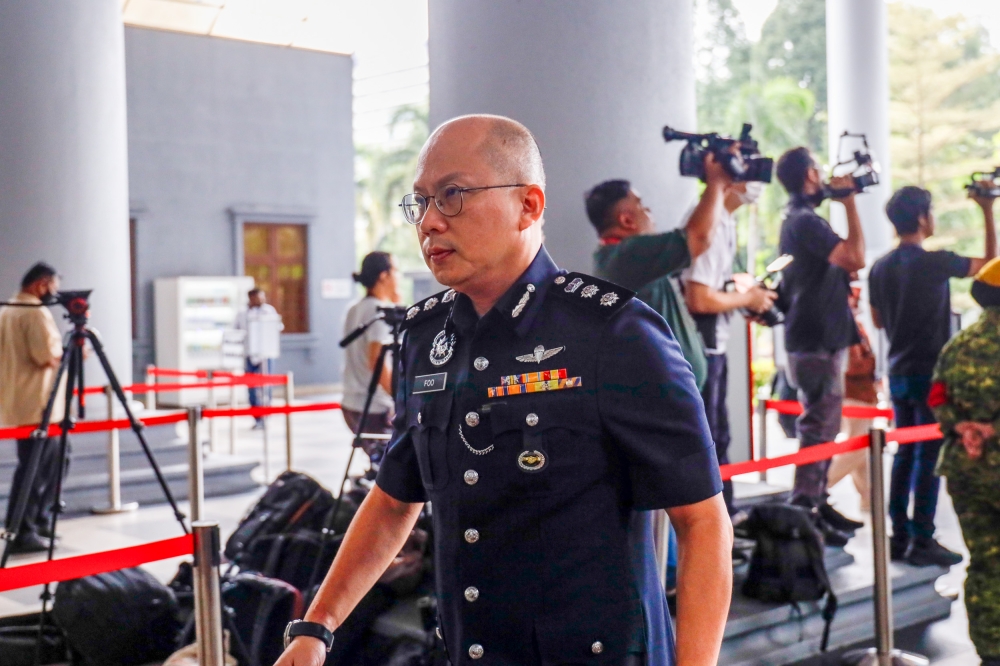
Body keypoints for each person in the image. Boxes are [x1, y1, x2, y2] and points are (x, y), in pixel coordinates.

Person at [276, 115, 732, 666]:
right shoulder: (425, 338)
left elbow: (702, 521)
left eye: (452, 195)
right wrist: (316, 625)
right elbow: (396, 498)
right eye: (420, 202)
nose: (429, 223)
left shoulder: (612, 333)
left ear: (529, 205)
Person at [870, 184, 996, 567]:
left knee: (905, 452)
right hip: (930, 371)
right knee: (929, 452)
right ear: (923, 218)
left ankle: (900, 535)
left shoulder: (879, 266)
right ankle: (923, 538)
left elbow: (877, 319)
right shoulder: (934, 261)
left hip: (898, 368)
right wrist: (987, 210)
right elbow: (992, 267)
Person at [774, 146, 866, 545]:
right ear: (810, 176)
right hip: (815, 341)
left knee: (823, 426)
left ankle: (816, 502)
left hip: (819, 339)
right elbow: (854, 256)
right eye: (818, 167)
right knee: (818, 427)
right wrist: (849, 204)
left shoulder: (800, 219)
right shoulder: (805, 221)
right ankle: (804, 508)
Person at [586, 154, 734, 390]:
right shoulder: (627, 257)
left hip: (676, 393)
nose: (649, 212)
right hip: (669, 398)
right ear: (626, 220)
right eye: (642, 205)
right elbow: (699, 237)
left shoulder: (622, 259)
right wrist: (715, 182)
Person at [680, 178, 777, 520]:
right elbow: (699, 297)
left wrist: (745, 298)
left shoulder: (724, 220)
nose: (759, 180)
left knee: (719, 437)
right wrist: (748, 298)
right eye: (750, 167)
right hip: (701, 350)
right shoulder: (710, 221)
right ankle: (716, 525)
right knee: (709, 440)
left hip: (712, 346)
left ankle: (727, 518)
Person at [928, 256, 1000, 666]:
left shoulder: (959, 345)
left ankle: (990, 650)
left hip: (965, 468)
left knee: (985, 559)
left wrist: (967, 430)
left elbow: (938, 398)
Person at [0, 262, 67, 554]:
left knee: (40, 464)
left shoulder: (10, 309)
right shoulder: (35, 313)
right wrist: (71, 352)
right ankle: (24, 530)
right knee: (35, 469)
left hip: (20, 400)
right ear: (42, 284)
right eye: (53, 285)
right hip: (40, 404)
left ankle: (35, 522)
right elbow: (45, 356)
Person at [341, 251, 402, 462]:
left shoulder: (355, 308)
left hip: (351, 403)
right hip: (374, 408)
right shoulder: (378, 310)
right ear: (384, 276)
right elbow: (376, 360)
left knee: (378, 466)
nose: (398, 277)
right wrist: (401, 398)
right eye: (395, 271)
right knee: (390, 470)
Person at [826, 286, 878, 513]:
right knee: (854, 451)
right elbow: (854, 366)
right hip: (856, 397)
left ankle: (869, 499)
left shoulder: (853, 327)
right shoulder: (848, 328)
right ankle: (819, 487)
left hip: (862, 395)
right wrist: (875, 365)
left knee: (863, 453)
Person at [236, 288, 283, 429]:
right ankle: (256, 417)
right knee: (251, 387)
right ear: (251, 298)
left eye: (262, 297)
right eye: (257, 298)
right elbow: (236, 330)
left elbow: (277, 327)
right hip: (249, 354)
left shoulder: (269, 311)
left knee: (266, 386)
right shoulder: (242, 314)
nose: (260, 300)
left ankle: (266, 415)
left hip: (265, 354)